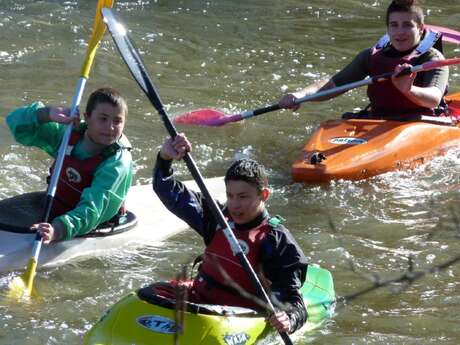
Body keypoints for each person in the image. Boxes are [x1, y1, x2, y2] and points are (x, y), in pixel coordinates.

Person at [152, 133, 308, 334]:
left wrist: (288, 318)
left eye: (243, 197)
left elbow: (294, 302)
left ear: (264, 195)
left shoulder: (277, 241)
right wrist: (165, 158)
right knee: (146, 297)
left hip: (238, 315)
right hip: (199, 298)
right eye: (230, 195)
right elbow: (167, 190)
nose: (234, 205)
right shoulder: (216, 217)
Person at [279, 0, 449, 118]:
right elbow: (333, 85)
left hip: (420, 120)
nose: (399, 32)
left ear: (420, 28)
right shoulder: (371, 56)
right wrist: (299, 95)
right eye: (394, 25)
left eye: (407, 25)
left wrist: (408, 90)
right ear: (387, 28)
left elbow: (434, 99)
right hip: (379, 119)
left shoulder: (433, 58)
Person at [6, 87, 133, 244]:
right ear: (87, 118)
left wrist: (57, 230)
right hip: (54, 204)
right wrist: (47, 114)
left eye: (117, 121)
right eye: (103, 118)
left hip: (89, 218)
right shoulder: (68, 135)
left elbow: (92, 211)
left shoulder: (117, 162)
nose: (110, 127)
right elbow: (15, 123)